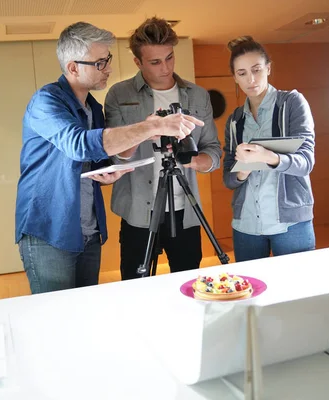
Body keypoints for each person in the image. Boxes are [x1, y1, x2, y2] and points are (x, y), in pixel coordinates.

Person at [15, 22, 204, 294]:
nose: (108, 68)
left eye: (108, 60)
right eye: (100, 63)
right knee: (57, 319)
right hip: (49, 231)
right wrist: (152, 126)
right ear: (73, 68)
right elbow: (79, 145)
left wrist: (108, 173)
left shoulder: (92, 107)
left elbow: (95, 161)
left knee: (87, 313)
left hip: (88, 230)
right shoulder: (47, 101)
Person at [105, 17, 222, 280]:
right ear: (138, 62)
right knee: (136, 286)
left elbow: (213, 149)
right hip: (138, 211)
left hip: (186, 212)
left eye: (169, 58)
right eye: (155, 62)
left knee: (189, 283)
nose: (165, 68)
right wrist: (146, 130)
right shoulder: (119, 95)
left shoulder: (198, 95)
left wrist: (196, 161)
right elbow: (115, 155)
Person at [222, 36, 316, 262]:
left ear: (268, 68)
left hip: (290, 223)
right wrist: (241, 172)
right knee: (249, 293)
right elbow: (228, 179)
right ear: (235, 77)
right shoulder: (235, 120)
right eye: (242, 73)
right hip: (247, 224)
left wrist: (271, 158)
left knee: (299, 291)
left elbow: (306, 162)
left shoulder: (292, 102)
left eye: (256, 70)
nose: (251, 79)